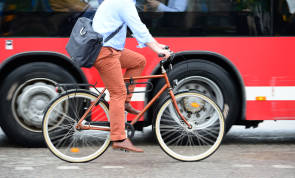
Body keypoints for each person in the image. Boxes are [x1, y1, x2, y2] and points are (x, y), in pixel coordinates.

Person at [92, 0, 171, 152]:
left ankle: (126, 102)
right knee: (118, 93)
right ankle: (119, 138)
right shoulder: (123, 2)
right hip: (105, 52)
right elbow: (139, 28)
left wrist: (156, 43)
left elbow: (134, 27)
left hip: (110, 49)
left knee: (138, 61)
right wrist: (156, 47)